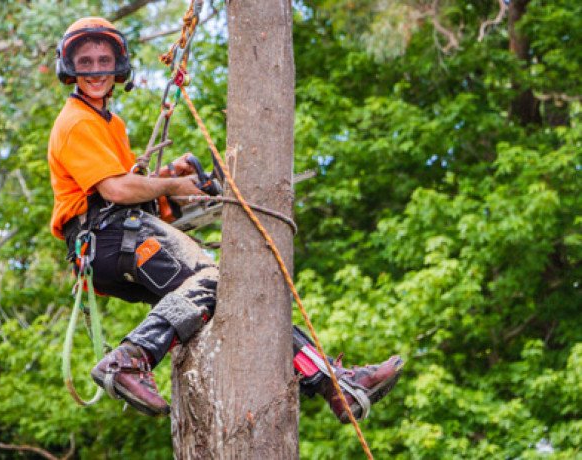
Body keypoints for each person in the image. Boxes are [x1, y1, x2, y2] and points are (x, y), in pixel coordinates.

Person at [48, 17, 403, 421]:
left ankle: (332, 384)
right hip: (109, 238)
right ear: (69, 68)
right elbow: (115, 190)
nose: (95, 71)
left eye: (103, 61)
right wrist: (169, 187)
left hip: (120, 237)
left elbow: (134, 194)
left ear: (119, 66)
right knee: (220, 279)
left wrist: (169, 184)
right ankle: (130, 357)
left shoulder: (110, 123)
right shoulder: (75, 122)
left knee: (224, 298)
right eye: (86, 62)